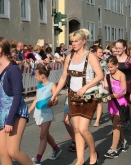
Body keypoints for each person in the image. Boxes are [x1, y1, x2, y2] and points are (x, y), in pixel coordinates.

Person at [50, 29, 103, 165]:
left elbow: (100, 75)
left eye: (76, 41)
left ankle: (93, 153)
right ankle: (79, 160)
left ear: (83, 41)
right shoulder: (69, 57)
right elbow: (63, 78)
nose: (73, 44)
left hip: (88, 96)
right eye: (72, 41)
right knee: (77, 130)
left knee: (84, 129)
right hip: (73, 96)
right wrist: (54, 95)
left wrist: (85, 87)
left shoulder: (90, 56)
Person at [0, 37, 33, 165]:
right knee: (3, 152)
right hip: (1, 112)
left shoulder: (13, 70)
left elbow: (18, 96)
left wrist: (9, 120)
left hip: (16, 112)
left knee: (13, 151)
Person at [28, 64, 62, 164]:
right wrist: (29, 110)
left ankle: (38, 159)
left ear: (42, 76)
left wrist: (53, 102)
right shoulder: (38, 85)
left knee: (43, 135)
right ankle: (56, 149)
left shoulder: (52, 85)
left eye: (36, 75)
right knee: (45, 134)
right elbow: (36, 99)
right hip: (38, 113)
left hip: (46, 113)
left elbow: (56, 99)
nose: (35, 77)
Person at [103, 56, 129, 158]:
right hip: (111, 103)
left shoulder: (121, 75)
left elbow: (124, 91)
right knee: (116, 125)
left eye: (111, 67)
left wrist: (113, 95)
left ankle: (113, 149)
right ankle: (124, 142)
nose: (110, 69)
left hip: (120, 102)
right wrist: (104, 94)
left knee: (115, 125)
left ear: (117, 65)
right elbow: (105, 88)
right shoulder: (107, 75)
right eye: (108, 67)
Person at [115, 39, 131, 138]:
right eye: (116, 48)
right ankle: (117, 129)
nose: (118, 50)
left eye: (120, 48)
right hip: (117, 88)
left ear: (124, 48)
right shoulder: (114, 59)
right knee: (116, 111)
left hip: (128, 88)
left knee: (127, 111)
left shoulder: (130, 60)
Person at [92, 45, 108, 127]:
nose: (102, 54)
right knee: (92, 102)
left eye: (102, 52)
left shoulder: (103, 62)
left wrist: (106, 86)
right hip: (91, 84)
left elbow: (106, 74)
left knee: (99, 102)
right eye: (100, 52)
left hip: (100, 84)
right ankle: (99, 113)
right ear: (94, 53)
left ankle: (97, 120)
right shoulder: (89, 62)